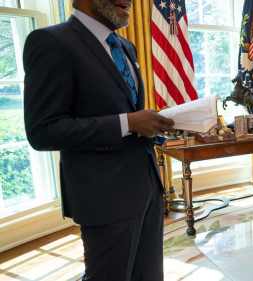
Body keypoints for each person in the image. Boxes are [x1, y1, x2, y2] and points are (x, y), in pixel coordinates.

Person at [23, 0, 174, 280]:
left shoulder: (126, 47)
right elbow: (42, 130)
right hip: (103, 197)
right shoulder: (50, 42)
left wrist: (152, 125)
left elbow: (125, 113)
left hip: (148, 188)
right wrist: (128, 123)